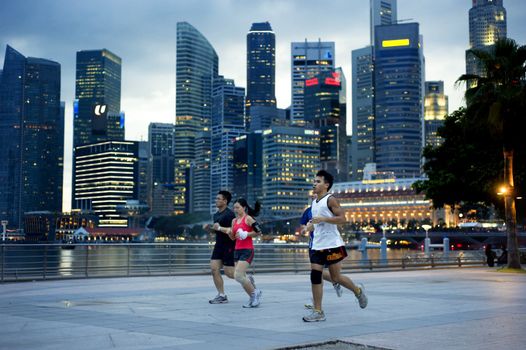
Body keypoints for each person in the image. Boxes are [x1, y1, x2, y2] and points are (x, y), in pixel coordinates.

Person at [303, 170, 368, 322]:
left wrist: (324, 219)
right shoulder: (314, 202)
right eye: (314, 181)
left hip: (332, 244)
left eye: (318, 181)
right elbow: (316, 223)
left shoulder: (330, 200)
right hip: (317, 245)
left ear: (326, 185)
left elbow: (342, 219)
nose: (314, 183)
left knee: (336, 277)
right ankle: (318, 311)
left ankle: (357, 291)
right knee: (315, 275)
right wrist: (309, 227)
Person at [214, 198, 263, 308]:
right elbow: (232, 237)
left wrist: (246, 234)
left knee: (238, 275)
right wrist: (227, 232)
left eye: (238, 207)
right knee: (239, 277)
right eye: (234, 208)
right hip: (237, 250)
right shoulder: (234, 221)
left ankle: (255, 294)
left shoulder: (248, 218)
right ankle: (253, 296)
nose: (235, 210)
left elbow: (258, 232)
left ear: (244, 207)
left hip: (247, 250)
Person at [299, 204, 343, 307]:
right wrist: (305, 229)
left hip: (330, 245)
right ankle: (316, 302)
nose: (314, 194)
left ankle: (337, 282)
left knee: (331, 274)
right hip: (314, 246)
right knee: (317, 274)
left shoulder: (329, 207)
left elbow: (339, 220)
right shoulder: (308, 211)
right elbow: (303, 225)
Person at [203, 191, 236, 304]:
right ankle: (222, 295)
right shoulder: (216, 215)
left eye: (218, 199)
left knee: (229, 273)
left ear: (225, 201)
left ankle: (246, 278)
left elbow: (233, 231)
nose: (216, 200)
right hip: (218, 245)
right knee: (214, 269)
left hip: (229, 246)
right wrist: (209, 229)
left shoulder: (230, 214)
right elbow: (216, 231)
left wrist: (219, 227)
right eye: (216, 198)